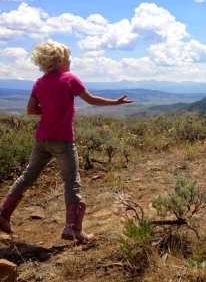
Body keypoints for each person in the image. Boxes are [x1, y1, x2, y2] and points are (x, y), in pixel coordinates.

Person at [0, 39, 134, 241]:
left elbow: (30, 110)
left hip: (42, 138)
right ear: (58, 60)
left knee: (28, 176)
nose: (70, 60)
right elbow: (91, 99)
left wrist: (49, 113)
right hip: (62, 140)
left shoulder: (39, 83)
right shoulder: (69, 79)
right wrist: (115, 102)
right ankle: (73, 228)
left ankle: (3, 215)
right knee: (71, 181)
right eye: (68, 57)